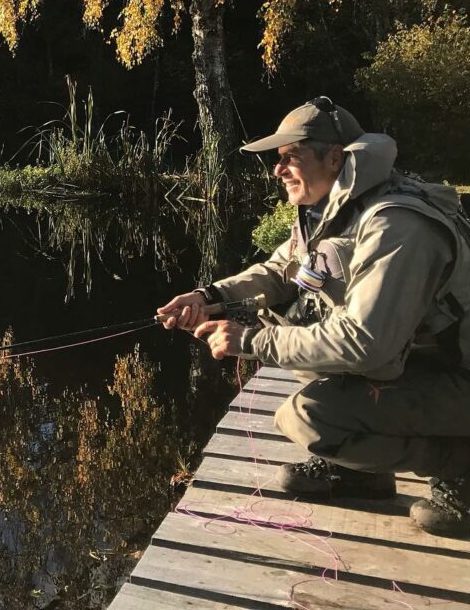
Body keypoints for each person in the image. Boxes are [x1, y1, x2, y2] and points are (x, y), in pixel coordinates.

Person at [158, 97, 470, 537]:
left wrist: (249, 340)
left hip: (459, 374)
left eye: (292, 157)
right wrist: (209, 296)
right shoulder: (333, 209)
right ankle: (362, 473)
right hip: (427, 364)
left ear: (335, 156)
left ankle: (461, 466)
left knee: (307, 415)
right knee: (305, 353)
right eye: (278, 159)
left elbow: (364, 342)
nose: (278, 170)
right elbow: (280, 271)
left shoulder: (395, 224)